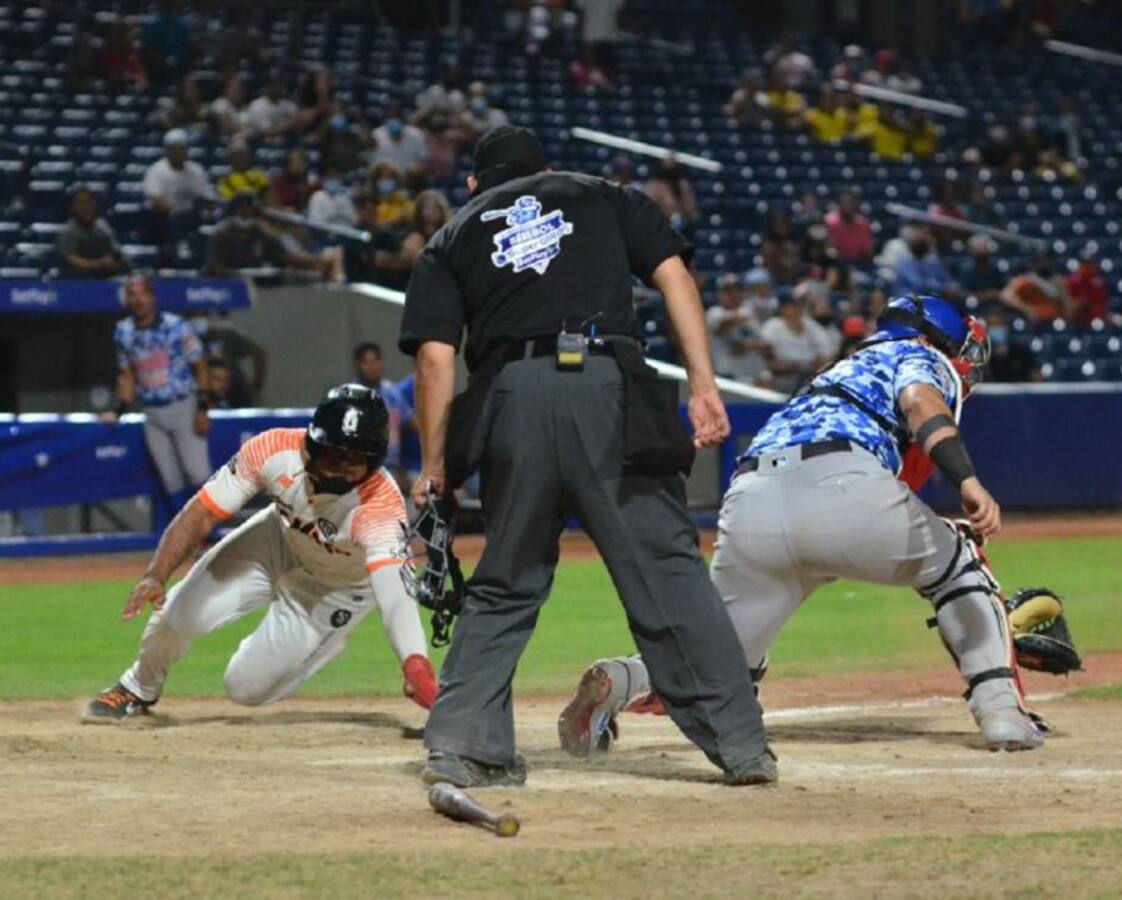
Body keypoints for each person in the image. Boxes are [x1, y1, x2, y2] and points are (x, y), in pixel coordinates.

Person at [398, 124, 773, 788]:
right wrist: (706, 389)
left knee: (505, 582)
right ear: (546, 170)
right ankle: (740, 747)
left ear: (475, 183)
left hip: (512, 400)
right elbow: (674, 276)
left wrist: (435, 467)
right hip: (607, 386)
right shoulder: (601, 194)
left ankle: (459, 745)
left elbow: (435, 360)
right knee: (667, 572)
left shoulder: (451, 234)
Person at [561, 295, 1045, 757]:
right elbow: (920, 403)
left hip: (751, 499)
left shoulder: (836, 368)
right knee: (959, 561)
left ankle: (617, 679)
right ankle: (1001, 711)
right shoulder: (915, 353)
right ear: (937, 337)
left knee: (721, 659)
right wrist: (967, 478)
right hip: (840, 481)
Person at [83, 385, 438, 723]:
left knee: (244, 688)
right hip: (276, 540)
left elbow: (396, 596)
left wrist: (415, 665)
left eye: (353, 459)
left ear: (374, 460)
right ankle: (137, 687)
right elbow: (201, 512)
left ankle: (316, 641)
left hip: (335, 588)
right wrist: (155, 575)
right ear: (313, 441)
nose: (338, 465)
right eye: (332, 452)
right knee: (175, 614)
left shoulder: (380, 507)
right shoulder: (273, 450)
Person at [101, 275, 211, 515]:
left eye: (142, 294)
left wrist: (203, 407)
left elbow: (200, 364)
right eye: (132, 295)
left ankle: (209, 532)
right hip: (151, 411)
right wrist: (119, 409)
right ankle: (183, 537)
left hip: (182, 405)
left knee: (197, 472)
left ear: (152, 297)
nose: (138, 300)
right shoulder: (124, 331)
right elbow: (126, 373)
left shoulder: (176, 325)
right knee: (170, 479)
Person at [205, 192, 334, 278]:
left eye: (250, 210)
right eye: (242, 210)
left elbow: (286, 258)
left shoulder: (261, 232)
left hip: (257, 289)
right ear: (234, 211)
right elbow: (216, 270)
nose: (246, 213)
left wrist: (315, 262)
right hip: (227, 291)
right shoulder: (221, 234)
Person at [142, 129, 213, 259]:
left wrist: (202, 210)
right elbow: (156, 200)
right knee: (172, 220)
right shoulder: (156, 170)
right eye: (174, 148)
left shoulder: (196, 170)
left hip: (191, 218)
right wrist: (177, 213)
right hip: (163, 220)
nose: (178, 152)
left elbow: (206, 198)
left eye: (181, 148)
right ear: (167, 150)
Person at [352, 342, 411, 490]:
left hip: (391, 467)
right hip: (360, 469)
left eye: (375, 361)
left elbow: (408, 425)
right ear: (358, 364)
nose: (372, 367)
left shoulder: (392, 392)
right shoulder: (350, 394)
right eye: (366, 362)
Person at [760, 289, 837, 393]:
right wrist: (791, 367)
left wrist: (816, 365)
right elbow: (768, 358)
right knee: (765, 376)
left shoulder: (812, 326)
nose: (797, 307)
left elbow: (827, 355)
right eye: (792, 304)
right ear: (782, 307)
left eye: (799, 304)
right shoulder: (772, 326)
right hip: (781, 377)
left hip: (808, 375)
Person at [706, 273, 768, 385]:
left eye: (737, 289)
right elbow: (722, 325)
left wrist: (749, 345)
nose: (733, 294)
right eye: (727, 290)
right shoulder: (714, 313)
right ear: (719, 294)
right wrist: (741, 315)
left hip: (754, 376)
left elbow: (763, 344)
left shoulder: (748, 313)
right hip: (728, 378)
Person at [56, 186, 130, 278]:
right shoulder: (67, 230)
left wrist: (111, 259)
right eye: (81, 203)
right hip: (76, 279)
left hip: (105, 276)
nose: (86, 207)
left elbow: (115, 251)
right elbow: (70, 258)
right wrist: (97, 264)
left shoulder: (102, 226)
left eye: (89, 202)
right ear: (72, 207)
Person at [1001, 249, 1068, 323]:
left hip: (1055, 320)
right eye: (1039, 260)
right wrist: (1026, 308)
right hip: (1034, 322)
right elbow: (1006, 296)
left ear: (1052, 261)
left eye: (1046, 260)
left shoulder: (1060, 280)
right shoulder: (1026, 280)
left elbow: (1067, 307)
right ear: (1033, 263)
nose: (1043, 263)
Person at [640, 157, 699, 231]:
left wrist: (683, 217)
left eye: (672, 171)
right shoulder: (653, 186)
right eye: (667, 171)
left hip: (682, 227)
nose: (670, 175)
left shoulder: (683, 185)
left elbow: (692, 211)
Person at [372, 106, 430, 176]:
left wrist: (417, 169)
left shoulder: (416, 134)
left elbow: (423, 159)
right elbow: (374, 163)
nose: (393, 120)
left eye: (396, 117)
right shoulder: (376, 135)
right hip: (386, 176)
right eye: (390, 117)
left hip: (411, 176)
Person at [983, 310, 1039, 383]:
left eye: (999, 324)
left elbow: (1036, 377)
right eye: (992, 325)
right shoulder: (981, 353)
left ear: (1005, 326)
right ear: (986, 328)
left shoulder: (1020, 351)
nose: (996, 328)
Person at [823, 191, 874, 267]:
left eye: (850, 203)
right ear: (839, 205)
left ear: (854, 204)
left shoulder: (863, 224)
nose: (847, 206)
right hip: (835, 264)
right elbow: (828, 250)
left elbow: (867, 251)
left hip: (858, 264)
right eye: (843, 203)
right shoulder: (829, 222)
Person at [957, 234, 1006, 306]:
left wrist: (996, 294)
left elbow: (1003, 288)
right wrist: (985, 295)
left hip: (996, 303)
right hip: (975, 303)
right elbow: (963, 292)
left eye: (984, 246)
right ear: (972, 250)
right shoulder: (967, 268)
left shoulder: (996, 266)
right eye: (979, 246)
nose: (982, 249)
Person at [1064, 252, 1110, 326]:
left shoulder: (1098, 283)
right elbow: (1068, 306)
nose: (1087, 267)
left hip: (1096, 320)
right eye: (1084, 264)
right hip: (1076, 320)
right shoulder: (1070, 281)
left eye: (1089, 263)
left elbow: (1102, 306)